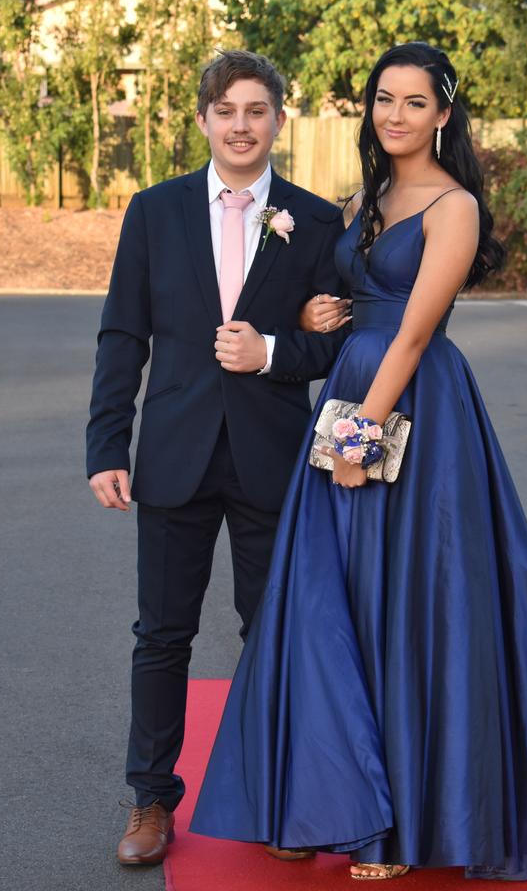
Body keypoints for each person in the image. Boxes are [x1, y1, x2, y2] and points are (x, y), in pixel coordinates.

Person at [189, 42, 527, 880]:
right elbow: (346, 301)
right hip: (349, 385)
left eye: (416, 102)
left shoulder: (454, 208)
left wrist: (358, 435)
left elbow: (415, 331)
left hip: (411, 407)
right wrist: (315, 309)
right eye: (385, 99)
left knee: (405, 605)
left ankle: (400, 828)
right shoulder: (366, 198)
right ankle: (323, 803)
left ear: (445, 114)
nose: (396, 115)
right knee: (325, 600)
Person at [86, 50, 350, 866]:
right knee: (162, 636)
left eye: (257, 110)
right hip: (172, 455)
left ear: (279, 119)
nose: (241, 125)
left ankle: (281, 796)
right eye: (226, 110)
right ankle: (150, 802)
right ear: (203, 119)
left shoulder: (315, 221)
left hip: (272, 457)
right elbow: (124, 333)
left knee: (272, 632)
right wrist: (106, 445)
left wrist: (273, 350)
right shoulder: (154, 211)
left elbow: (335, 349)